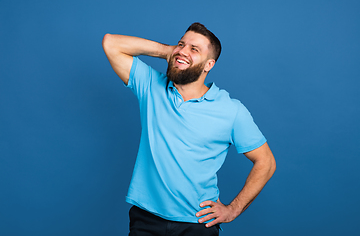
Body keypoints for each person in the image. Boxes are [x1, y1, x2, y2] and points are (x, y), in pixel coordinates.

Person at [102, 22, 276, 236]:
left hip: (198, 224)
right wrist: (170, 51)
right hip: (145, 220)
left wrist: (233, 209)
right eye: (181, 44)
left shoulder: (231, 110)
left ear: (208, 65)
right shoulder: (151, 86)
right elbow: (111, 43)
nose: (183, 50)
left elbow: (266, 162)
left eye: (194, 49)